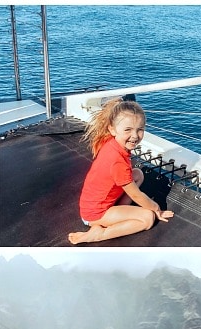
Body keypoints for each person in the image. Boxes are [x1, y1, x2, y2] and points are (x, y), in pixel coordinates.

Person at [68, 98, 174, 244]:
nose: (135, 135)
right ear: (112, 129)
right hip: (96, 214)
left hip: (97, 205)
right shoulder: (117, 161)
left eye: (140, 129)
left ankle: (119, 211)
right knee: (147, 218)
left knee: (137, 174)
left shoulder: (111, 142)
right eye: (128, 130)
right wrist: (156, 208)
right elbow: (136, 195)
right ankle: (100, 233)